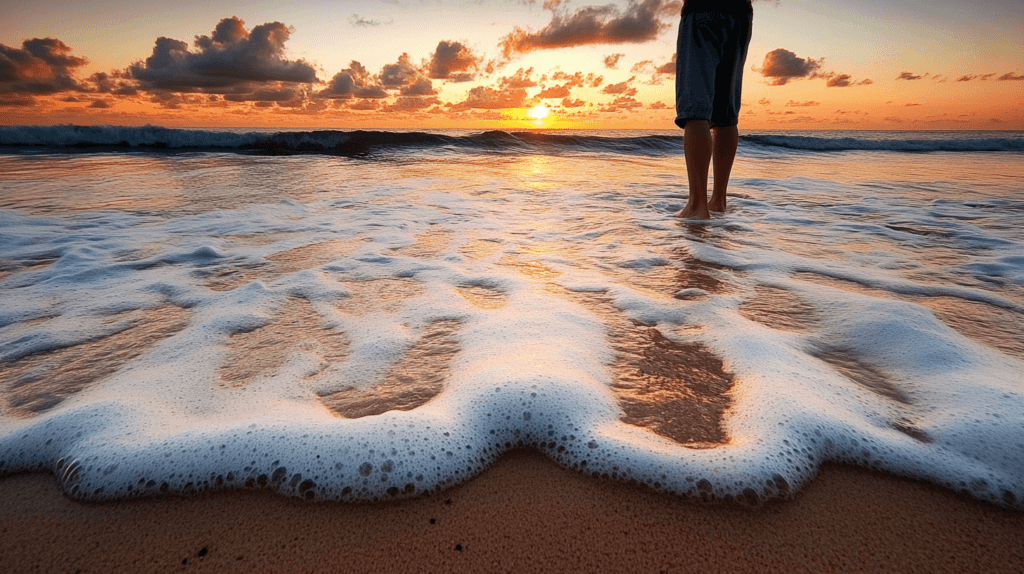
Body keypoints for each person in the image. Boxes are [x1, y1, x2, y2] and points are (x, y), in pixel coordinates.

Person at [674, 0, 753, 219]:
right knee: (726, 112)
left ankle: (697, 205)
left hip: (702, 9)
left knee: (695, 108)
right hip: (740, 14)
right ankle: (718, 201)